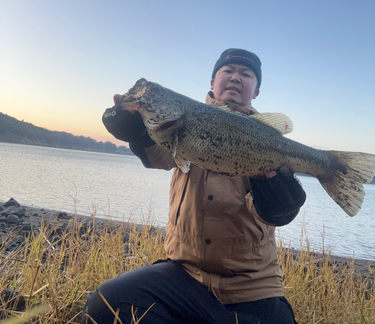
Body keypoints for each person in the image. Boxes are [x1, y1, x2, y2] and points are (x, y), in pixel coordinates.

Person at [82, 49, 306, 324]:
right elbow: (159, 157)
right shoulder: (181, 124)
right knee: (105, 305)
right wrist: (139, 134)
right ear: (212, 83)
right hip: (184, 276)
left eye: (245, 74)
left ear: (256, 91)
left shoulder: (265, 139)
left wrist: (281, 208)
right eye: (228, 71)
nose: (236, 77)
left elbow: (267, 213)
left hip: (253, 287)